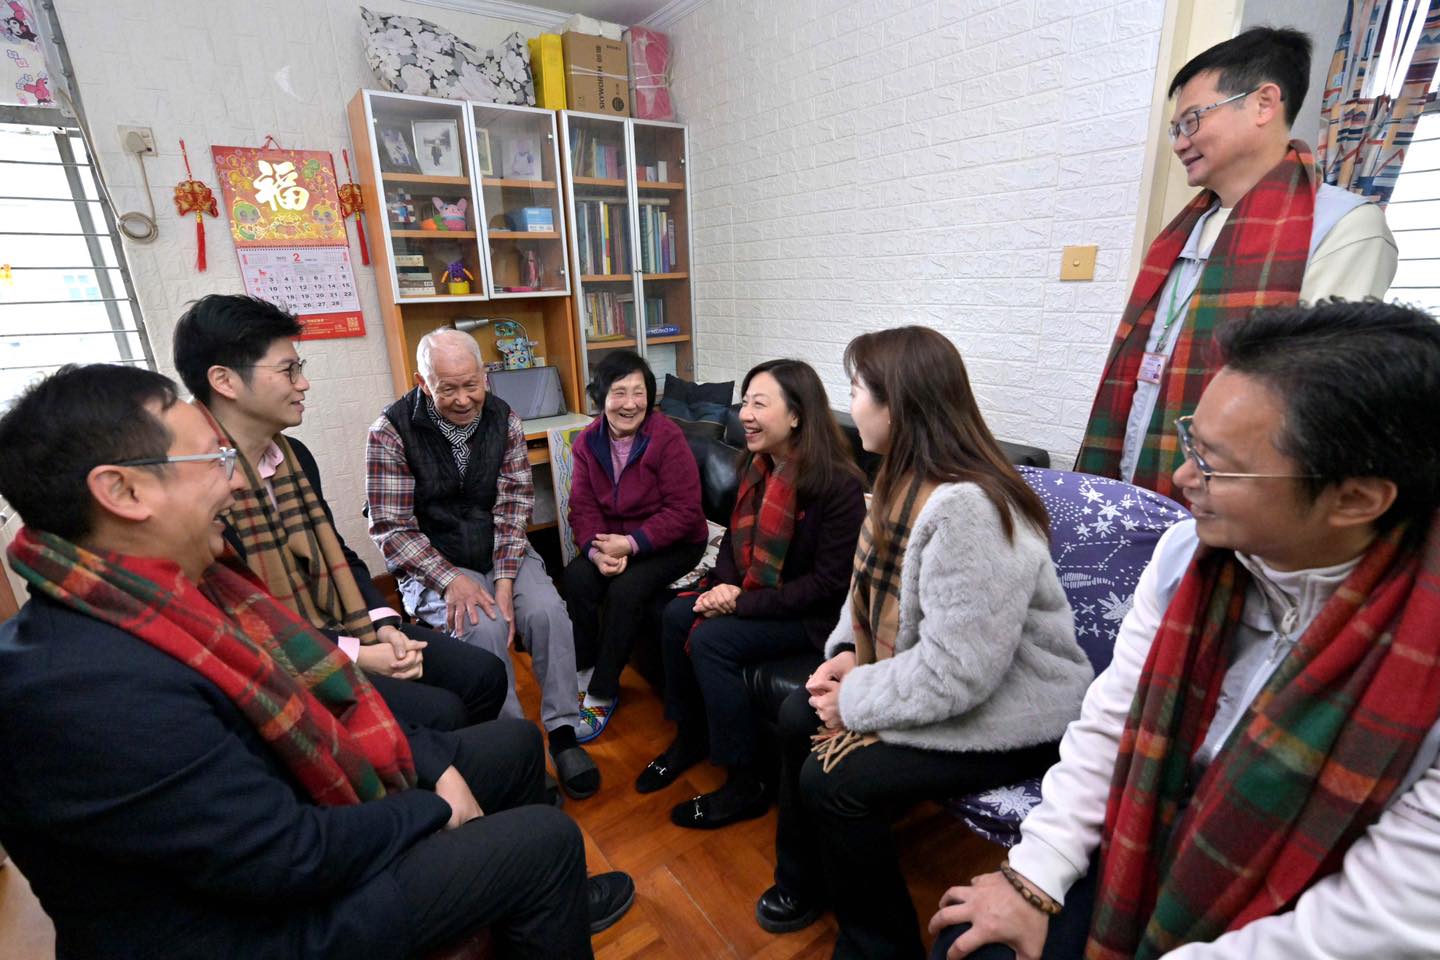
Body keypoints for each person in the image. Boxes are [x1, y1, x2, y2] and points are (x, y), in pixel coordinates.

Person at [0, 364, 635, 959]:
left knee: (517, 745)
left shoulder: (177, 591)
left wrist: (429, 762)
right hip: (263, 925)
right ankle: (525, 885)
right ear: (122, 490)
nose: (236, 481)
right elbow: (285, 859)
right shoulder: (80, 693)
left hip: (301, 821)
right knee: (546, 842)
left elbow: (314, 696)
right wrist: (434, 808)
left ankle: (520, 908)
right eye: (213, 461)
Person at [930, 299, 1440, 960]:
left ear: (1356, 499)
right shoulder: (1187, 556)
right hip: (1159, 835)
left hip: (1304, 897)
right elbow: (1114, 716)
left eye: (1216, 465)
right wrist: (1035, 874)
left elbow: (1380, 919)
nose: (1181, 478)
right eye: (1191, 441)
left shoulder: (1420, 640)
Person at [751, 327, 1093, 958]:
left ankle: (878, 947)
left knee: (835, 781)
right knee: (799, 711)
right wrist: (844, 656)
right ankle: (803, 882)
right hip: (950, 678)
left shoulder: (970, 509)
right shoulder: (897, 484)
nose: (850, 404)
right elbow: (861, 597)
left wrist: (856, 698)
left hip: (1016, 707)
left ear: (898, 406)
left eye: (857, 390)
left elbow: (960, 672)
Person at [1076, 26, 1398, 499]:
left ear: (1264, 104)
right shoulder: (1184, 229)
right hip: (1139, 469)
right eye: (1175, 129)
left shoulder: (1344, 226)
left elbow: (1317, 396)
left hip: (1235, 493)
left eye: (1192, 120)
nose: (1179, 143)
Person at [173, 294, 508, 732]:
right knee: (443, 710)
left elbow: (339, 554)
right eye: (288, 370)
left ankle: (463, 762)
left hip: (341, 625)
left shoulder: (294, 457)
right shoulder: (195, 481)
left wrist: (383, 624)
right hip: (275, 659)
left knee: (484, 674)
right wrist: (357, 654)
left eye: (300, 368)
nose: (304, 384)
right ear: (225, 381)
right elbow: (241, 619)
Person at [366, 327, 600, 799]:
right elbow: (392, 527)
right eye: (447, 388)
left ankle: (562, 732)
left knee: (548, 613)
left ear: (485, 376)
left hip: (500, 549)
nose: (463, 399)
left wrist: (506, 578)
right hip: (437, 561)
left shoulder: (503, 418)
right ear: (422, 382)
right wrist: (450, 579)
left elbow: (514, 505)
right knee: (483, 628)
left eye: (471, 385)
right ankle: (515, 748)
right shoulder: (390, 431)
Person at [636, 359, 867, 830]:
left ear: (797, 415)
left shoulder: (837, 486)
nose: (744, 414)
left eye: (759, 404)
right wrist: (722, 585)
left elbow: (827, 586)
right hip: (758, 595)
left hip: (811, 618)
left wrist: (739, 602)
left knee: (711, 640)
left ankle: (747, 784)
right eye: (745, 402)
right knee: (677, 616)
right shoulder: (757, 465)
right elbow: (733, 545)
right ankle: (691, 736)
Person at [562, 350, 708, 740]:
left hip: (675, 541)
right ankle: (584, 669)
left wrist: (631, 544)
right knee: (577, 577)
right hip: (614, 540)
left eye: (639, 392)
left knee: (626, 590)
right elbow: (583, 507)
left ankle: (602, 691)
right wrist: (596, 552)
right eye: (619, 392)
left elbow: (685, 510)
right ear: (601, 397)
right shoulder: (587, 442)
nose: (630, 403)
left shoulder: (666, 437)